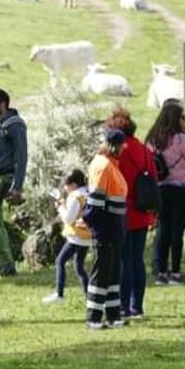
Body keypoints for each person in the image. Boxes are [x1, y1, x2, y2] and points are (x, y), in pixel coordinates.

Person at [108, 108, 158, 318]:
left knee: (124, 260)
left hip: (123, 210)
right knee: (137, 259)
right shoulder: (144, 149)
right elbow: (153, 177)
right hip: (142, 209)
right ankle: (137, 305)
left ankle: (123, 305)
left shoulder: (119, 152)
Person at [145, 102, 185, 285]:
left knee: (163, 230)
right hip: (181, 188)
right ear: (179, 119)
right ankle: (175, 272)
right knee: (177, 231)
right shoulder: (180, 139)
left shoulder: (152, 139)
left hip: (160, 188)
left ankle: (161, 271)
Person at [83, 129, 129, 329]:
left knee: (112, 273)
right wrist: (91, 223)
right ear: (113, 146)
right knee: (101, 273)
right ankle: (93, 317)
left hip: (115, 226)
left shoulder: (110, 164)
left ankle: (112, 314)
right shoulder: (103, 166)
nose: (122, 149)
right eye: (120, 146)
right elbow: (96, 201)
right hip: (105, 227)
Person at [0, 89, 27, 277]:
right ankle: (7, 262)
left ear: (3, 104)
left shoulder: (14, 125)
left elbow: (21, 155)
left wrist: (17, 185)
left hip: (4, 177)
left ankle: (6, 264)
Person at [42, 169, 92, 304]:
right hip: (87, 236)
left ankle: (59, 294)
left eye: (67, 184)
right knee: (79, 267)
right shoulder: (88, 193)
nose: (65, 187)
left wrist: (60, 208)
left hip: (76, 236)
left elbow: (69, 219)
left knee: (60, 261)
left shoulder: (74, 196)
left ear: (74, 184)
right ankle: (89, 296)